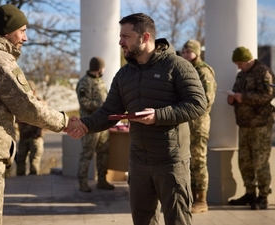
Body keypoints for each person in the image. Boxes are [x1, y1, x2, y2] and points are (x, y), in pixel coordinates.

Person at [0, 4, 86, 224]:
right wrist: (64, 122)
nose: (26, 37)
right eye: (21, 30)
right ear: (7, 31)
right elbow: (27, 106)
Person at [68, 13, 207, 225]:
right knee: (143, 220)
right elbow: (108, 112)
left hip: (171, 161)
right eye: (120, 36)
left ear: (145, 37)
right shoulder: (124, 75)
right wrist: (85, 125)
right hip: (138, 161)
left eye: (126, 36)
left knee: (177, 220)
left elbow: (198, 104)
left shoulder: (177, 66)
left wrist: (158, 116)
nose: (120, 41)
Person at [227, 46, 274, 210]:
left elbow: (269, 94)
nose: (238, 66)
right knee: (245, 161)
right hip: (244, 124)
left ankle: (262, 197)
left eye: (240, 63)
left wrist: (243, 97)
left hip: (260, 125)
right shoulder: (241, 75)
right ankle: (250, 193)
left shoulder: (264, 72)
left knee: (260, 162)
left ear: (248, 60)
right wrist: (232, 98)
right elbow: (235, 92)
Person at [181, 39, 217, 213]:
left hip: (198, 123)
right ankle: (190, 197)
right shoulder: (185, 70)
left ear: (197, 53)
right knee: (187, 162)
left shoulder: (203, 71)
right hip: (185, 123)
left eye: (189, 52)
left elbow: (207, 101)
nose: (186, 55)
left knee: (199, 161)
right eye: (184, 52)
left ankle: (201, 200)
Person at [75, 57, 114, 192]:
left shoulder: (101, 82)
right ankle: (82, 182)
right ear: (99, 68)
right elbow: (84, 102)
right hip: (89, 125)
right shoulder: (84, 82)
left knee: (104, 152)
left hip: (103, 124)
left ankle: (102, 180)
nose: (104, 70)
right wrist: (101, 105)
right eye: (103, 68)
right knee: (87, 153)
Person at [15, 81, 45, 176]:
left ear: (34, 91)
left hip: (35, 138)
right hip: (24, 137)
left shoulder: (40, 103)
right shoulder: (20, 104)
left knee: (34, 164)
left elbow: (45, 121)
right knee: (20, 162)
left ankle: (32, 185)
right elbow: (15, 119)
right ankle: (20, 185)